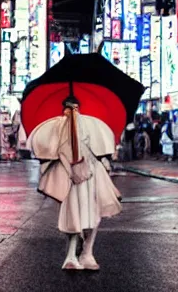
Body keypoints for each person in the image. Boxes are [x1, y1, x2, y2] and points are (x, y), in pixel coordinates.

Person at [28, 95, 121, 271]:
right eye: (70, 108)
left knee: (93, 212)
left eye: (76, 108)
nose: (73, 112)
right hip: (73, 177)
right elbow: (62, 151)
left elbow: (93, 149)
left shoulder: (87, 125)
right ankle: (72, 254)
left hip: (91, 174)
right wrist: (71, 171)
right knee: (74, 214)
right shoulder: (61, 126)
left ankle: (87, 252)